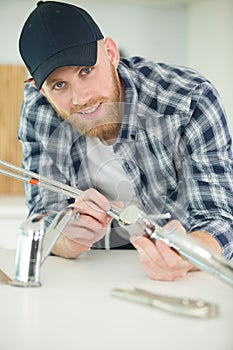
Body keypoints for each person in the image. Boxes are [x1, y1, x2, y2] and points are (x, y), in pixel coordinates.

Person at [18, 1, 233, 281]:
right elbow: (42, 218)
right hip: (92, 277)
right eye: (59, 85)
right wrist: (69, 240)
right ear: (40, 89)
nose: (80, 98)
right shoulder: (38, 110)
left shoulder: (189, 99)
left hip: (186, 278)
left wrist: (187, 253)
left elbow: (220, 220)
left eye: (86, 71)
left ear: (110, 53)